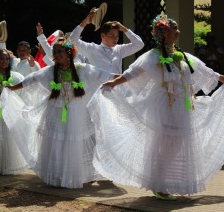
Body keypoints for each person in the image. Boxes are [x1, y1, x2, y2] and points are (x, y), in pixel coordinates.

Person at [87, 15, 224, 200]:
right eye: (174, 29)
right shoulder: (153, 55)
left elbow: (206, 71)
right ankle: (159, 185)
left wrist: (222, 78)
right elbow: (133, 72)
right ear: (165, 33)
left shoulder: (182, 55)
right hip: (163, 107)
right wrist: (113, 83)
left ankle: (164, 181)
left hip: (181, 108)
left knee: (177, 145)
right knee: (163, 145)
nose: (178, 32)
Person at [3, 39, 114, 189]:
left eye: (59, 51)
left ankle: (72, 175)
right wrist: (13, 87)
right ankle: (57, 175)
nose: (56, 54)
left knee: (73, 143)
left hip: (76, 113)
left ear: (69, 52)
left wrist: (123, 78)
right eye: (54, 52)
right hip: (55, 111)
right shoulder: (51, 70)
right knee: (56, 142)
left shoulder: (81, 69)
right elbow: (33, 78)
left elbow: (103, 74)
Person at [70, 7, 144, 73]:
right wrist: (85, 22)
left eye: (117, 36)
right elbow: (72, 40)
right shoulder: (93, 49)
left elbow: (139, 44)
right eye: (111, 36)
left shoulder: (120, 49)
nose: (116, 38)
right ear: (103, 35)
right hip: (99, 87)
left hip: (117, 88)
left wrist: (124, 29)